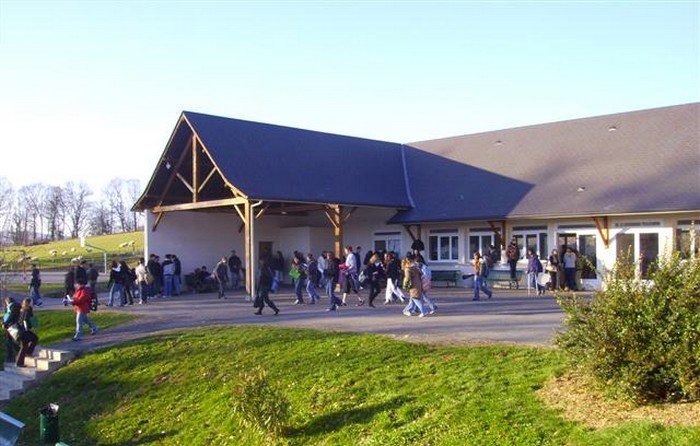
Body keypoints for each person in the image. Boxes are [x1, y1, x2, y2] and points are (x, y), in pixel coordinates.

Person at [17, 298, 39, 365]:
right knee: (34, 339)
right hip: (25, 330)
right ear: (29, 303)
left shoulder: (22, 309)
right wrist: (30, 328)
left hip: (20, 330)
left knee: (24, 345)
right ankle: (20, 361)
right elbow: (26, 320)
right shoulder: (28, 310)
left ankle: (22, 359)